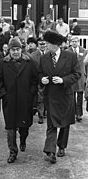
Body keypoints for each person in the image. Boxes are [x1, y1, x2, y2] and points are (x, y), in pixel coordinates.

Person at [39, 30, 81, 164]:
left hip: (65, 95)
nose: (45, 46)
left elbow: (77, 74)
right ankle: (50, 151)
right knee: (51, 124)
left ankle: (61, 146)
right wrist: (42, 80)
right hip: (51, 96)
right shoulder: (44, 58)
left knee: (64, 123)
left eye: (48, 43)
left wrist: (64, 80)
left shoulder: (70, 57)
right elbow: (39, 73)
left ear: (56, 45)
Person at [0, 37, 38, 163]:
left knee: (24, 126)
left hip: (25, 101)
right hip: (10, 101)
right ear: (9, 51)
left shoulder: (30, 62)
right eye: (13, 50)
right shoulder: (2, 63)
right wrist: (4, 94)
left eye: (18, 49)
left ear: (21, 50)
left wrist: (31, 94)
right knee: (10, 127)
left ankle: (23, 139)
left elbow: (35, 80)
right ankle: (13, 152)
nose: (15, 52)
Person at [67, 36, 86, 122]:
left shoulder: (84, 51)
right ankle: (72, 113)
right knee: (72, 95)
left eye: (76, 41)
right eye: (73, 41)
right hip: (72, 75)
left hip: (81, 76)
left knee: (80, 95)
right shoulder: (67, 51)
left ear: (78, 42)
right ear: (70, 42)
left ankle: (79, 114)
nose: (74, 43)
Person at [32, 37, 47, 124]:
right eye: (40, 44)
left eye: (44, 44)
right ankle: (40, 115)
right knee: (40, 98)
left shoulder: (50, 53)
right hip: (38, 79)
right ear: (38, 45)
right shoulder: (34, 55)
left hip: (48, 79)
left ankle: (46, 113)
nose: (42, 46)